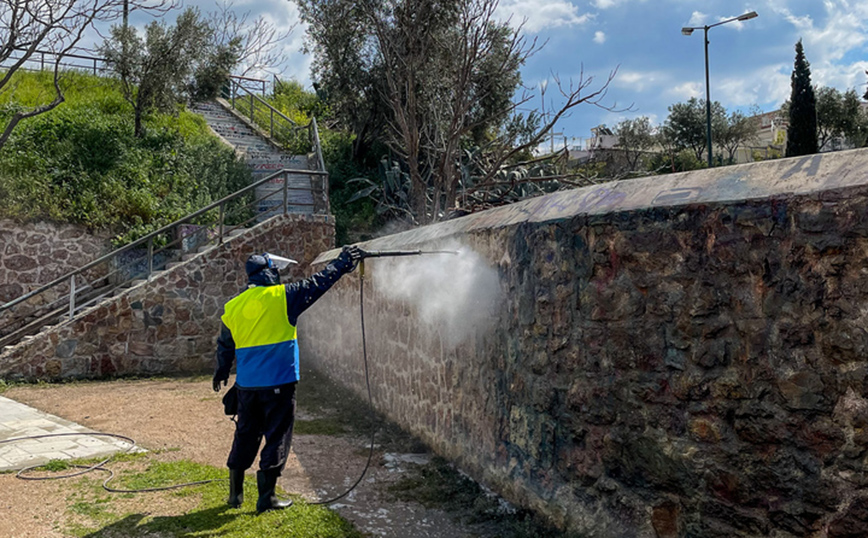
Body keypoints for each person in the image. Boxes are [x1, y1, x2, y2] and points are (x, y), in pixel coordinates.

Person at [213, 245, 362, 513]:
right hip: (279, 383)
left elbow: (225, 344)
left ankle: (235, 495)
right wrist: (342, 263)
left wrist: (221, 371)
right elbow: (318, 283)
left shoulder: (232, 307)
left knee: (245, 434)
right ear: (270, 274)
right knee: (277, 435)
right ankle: (266, 498)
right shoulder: (284, 296)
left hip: (246, 386)